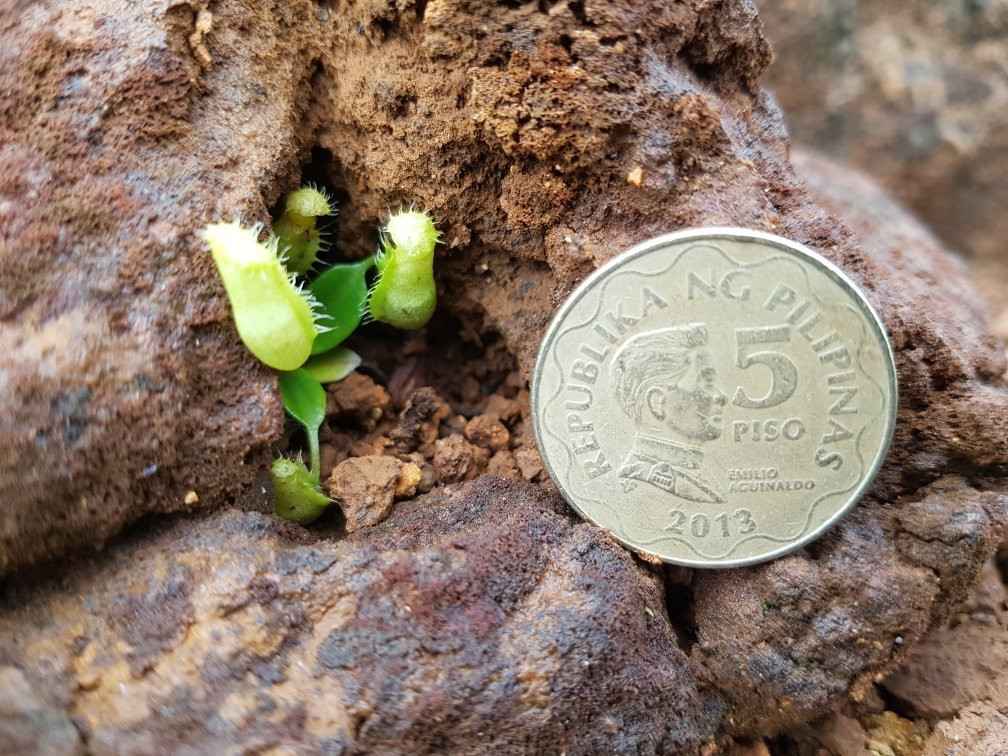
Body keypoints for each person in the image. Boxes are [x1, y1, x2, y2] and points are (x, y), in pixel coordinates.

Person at [611, 324, 727, 503]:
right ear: (657, 402)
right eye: (707, 383)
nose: (721, 396)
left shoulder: (694, 475)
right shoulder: (646, 477)